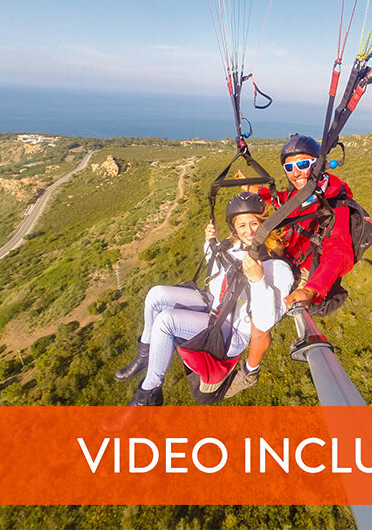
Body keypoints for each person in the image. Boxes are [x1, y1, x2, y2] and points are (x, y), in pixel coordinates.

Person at [113, 192, 294, 405]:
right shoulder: (235, 246)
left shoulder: (278, 268)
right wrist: (210, 243)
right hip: (217, 306)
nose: (249, 231)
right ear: (234, 228)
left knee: (165, 321)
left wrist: (258, 280)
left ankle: (149, 393)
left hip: (233, 332)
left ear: (264, 224)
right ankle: (145, 356)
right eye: (242, 225)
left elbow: (265, 324)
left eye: (254, 223)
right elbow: (217, 274)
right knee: (156, 295)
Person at [237, 134, 355, 314]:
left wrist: (309, 289)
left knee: (264, 312)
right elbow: (282, 201)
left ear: (318, 165)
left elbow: (339, 251)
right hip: (288, 253)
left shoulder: (334, 205)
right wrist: (250, 189)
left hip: (306, 272)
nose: (296, 173)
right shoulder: (299, 194)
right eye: (289, 167)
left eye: (303, 165)